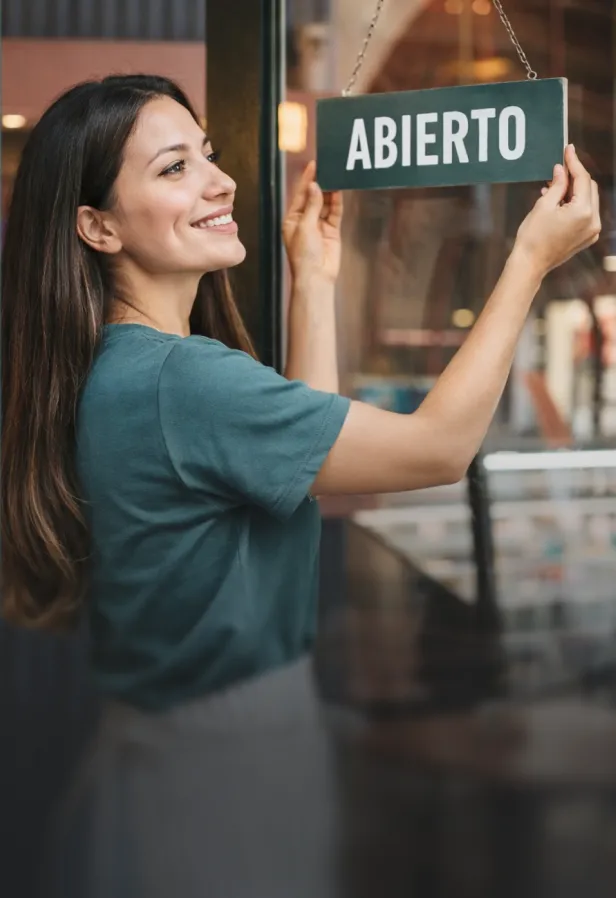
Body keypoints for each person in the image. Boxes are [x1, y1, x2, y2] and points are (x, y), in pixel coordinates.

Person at [1, 74, 600, 898]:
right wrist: (529, 258)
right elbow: (439, 448)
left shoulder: (126, 371)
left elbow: (298, 472)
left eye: (208, 154)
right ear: (97, 226)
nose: (221, 180)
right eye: (175, 168)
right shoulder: (184, 381)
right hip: (215, 786)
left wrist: (312, 281)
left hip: (185, 763)